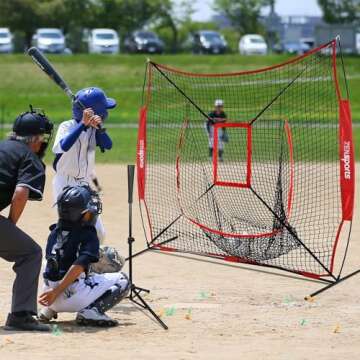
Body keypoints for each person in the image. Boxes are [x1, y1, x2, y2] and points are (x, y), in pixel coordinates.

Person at [38, 185, 130, 327]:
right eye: (89, 210)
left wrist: (53, 293)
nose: (92, 212)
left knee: (58, 266)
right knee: (123, 280)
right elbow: (78, 266)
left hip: (47, 295)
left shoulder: (54, 231)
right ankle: (91, 311)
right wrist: (57, 292)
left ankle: (48, 311)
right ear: (79, 213)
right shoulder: (88, 233)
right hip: (71, 296)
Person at [0, 106, 53, 331]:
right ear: (36, 139)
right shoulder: (29, 156)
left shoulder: (3, 147)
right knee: (30, 253)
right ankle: (21, 315)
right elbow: (21, 193)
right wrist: (10, 224)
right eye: (42, 138)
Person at [52, 87, 116, 243]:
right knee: (68, 230)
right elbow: (64, 146)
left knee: (97, 232)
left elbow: (108, 145)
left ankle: (87, 266)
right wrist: (82, 125)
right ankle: (54, 262)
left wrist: (99, 129)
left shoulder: (94, 130)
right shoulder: (66, 126)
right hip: (65, 184)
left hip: (84, 184)